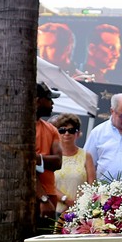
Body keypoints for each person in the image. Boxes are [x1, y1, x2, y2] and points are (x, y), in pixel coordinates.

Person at [35, 82, 64, 227]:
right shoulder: (20, 130)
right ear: (37, 100)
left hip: (49, 199)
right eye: (48, 98)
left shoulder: (51, 129)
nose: (52, 103)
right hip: (35, 200)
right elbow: (25, 169)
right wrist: (42, 199)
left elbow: (58, 162)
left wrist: (36, 159)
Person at [51, 113, 89, 212]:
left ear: (78, 133)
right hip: (54, 210)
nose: (66, 133)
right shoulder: (51, 155)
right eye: (62, 130)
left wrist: (78, 204)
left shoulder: (86, 156)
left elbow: (91, 185)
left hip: (78, 211)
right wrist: (66, 200)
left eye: (71, 130)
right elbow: (47, 183)